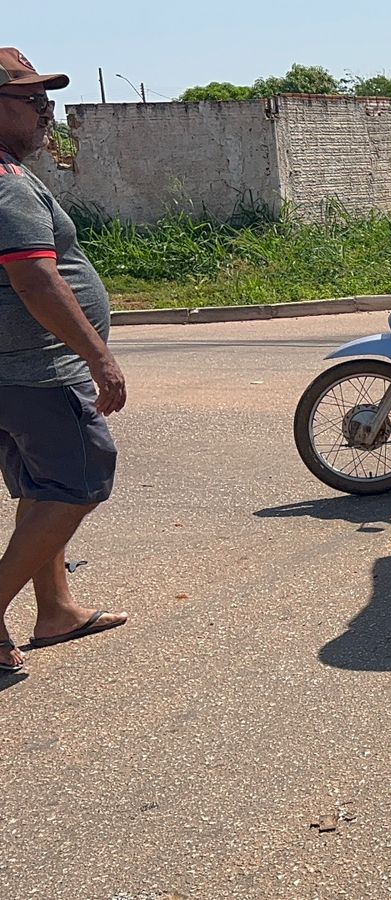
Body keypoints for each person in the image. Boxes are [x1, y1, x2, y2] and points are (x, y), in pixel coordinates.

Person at [0, 48, 129, 673]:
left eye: (47, 100)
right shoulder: (6, 184)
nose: (47, 113)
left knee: (38, 486)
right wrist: (98, 355)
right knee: (77, 484)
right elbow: (36, 281)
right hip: (39, 372)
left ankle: (55, 610)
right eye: (33, 101)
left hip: (12, 374)